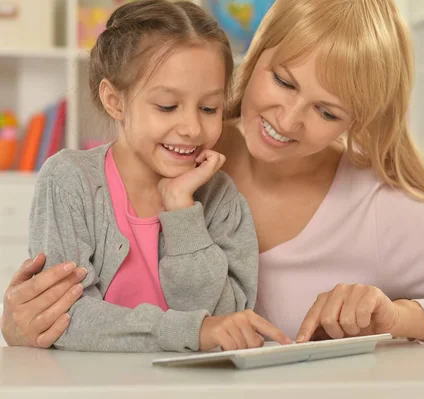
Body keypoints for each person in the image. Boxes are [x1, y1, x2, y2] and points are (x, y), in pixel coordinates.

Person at [1, 0, 424, 350]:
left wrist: (400, 317)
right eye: (285, 81)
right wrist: (23, 326)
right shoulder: (165, 143)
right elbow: (70, 308)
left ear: (358, 121)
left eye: (328, 112)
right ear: (257, 54)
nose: (288, 120)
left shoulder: (376, 209)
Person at [5, 0, 291, 353]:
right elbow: (62, 319)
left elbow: (225, 322)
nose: (191, 127)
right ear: (115, 101)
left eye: (209, 108)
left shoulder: (220, 198)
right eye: (167, 106)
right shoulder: (70, 181)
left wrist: (181, 213)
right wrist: (188, 332)